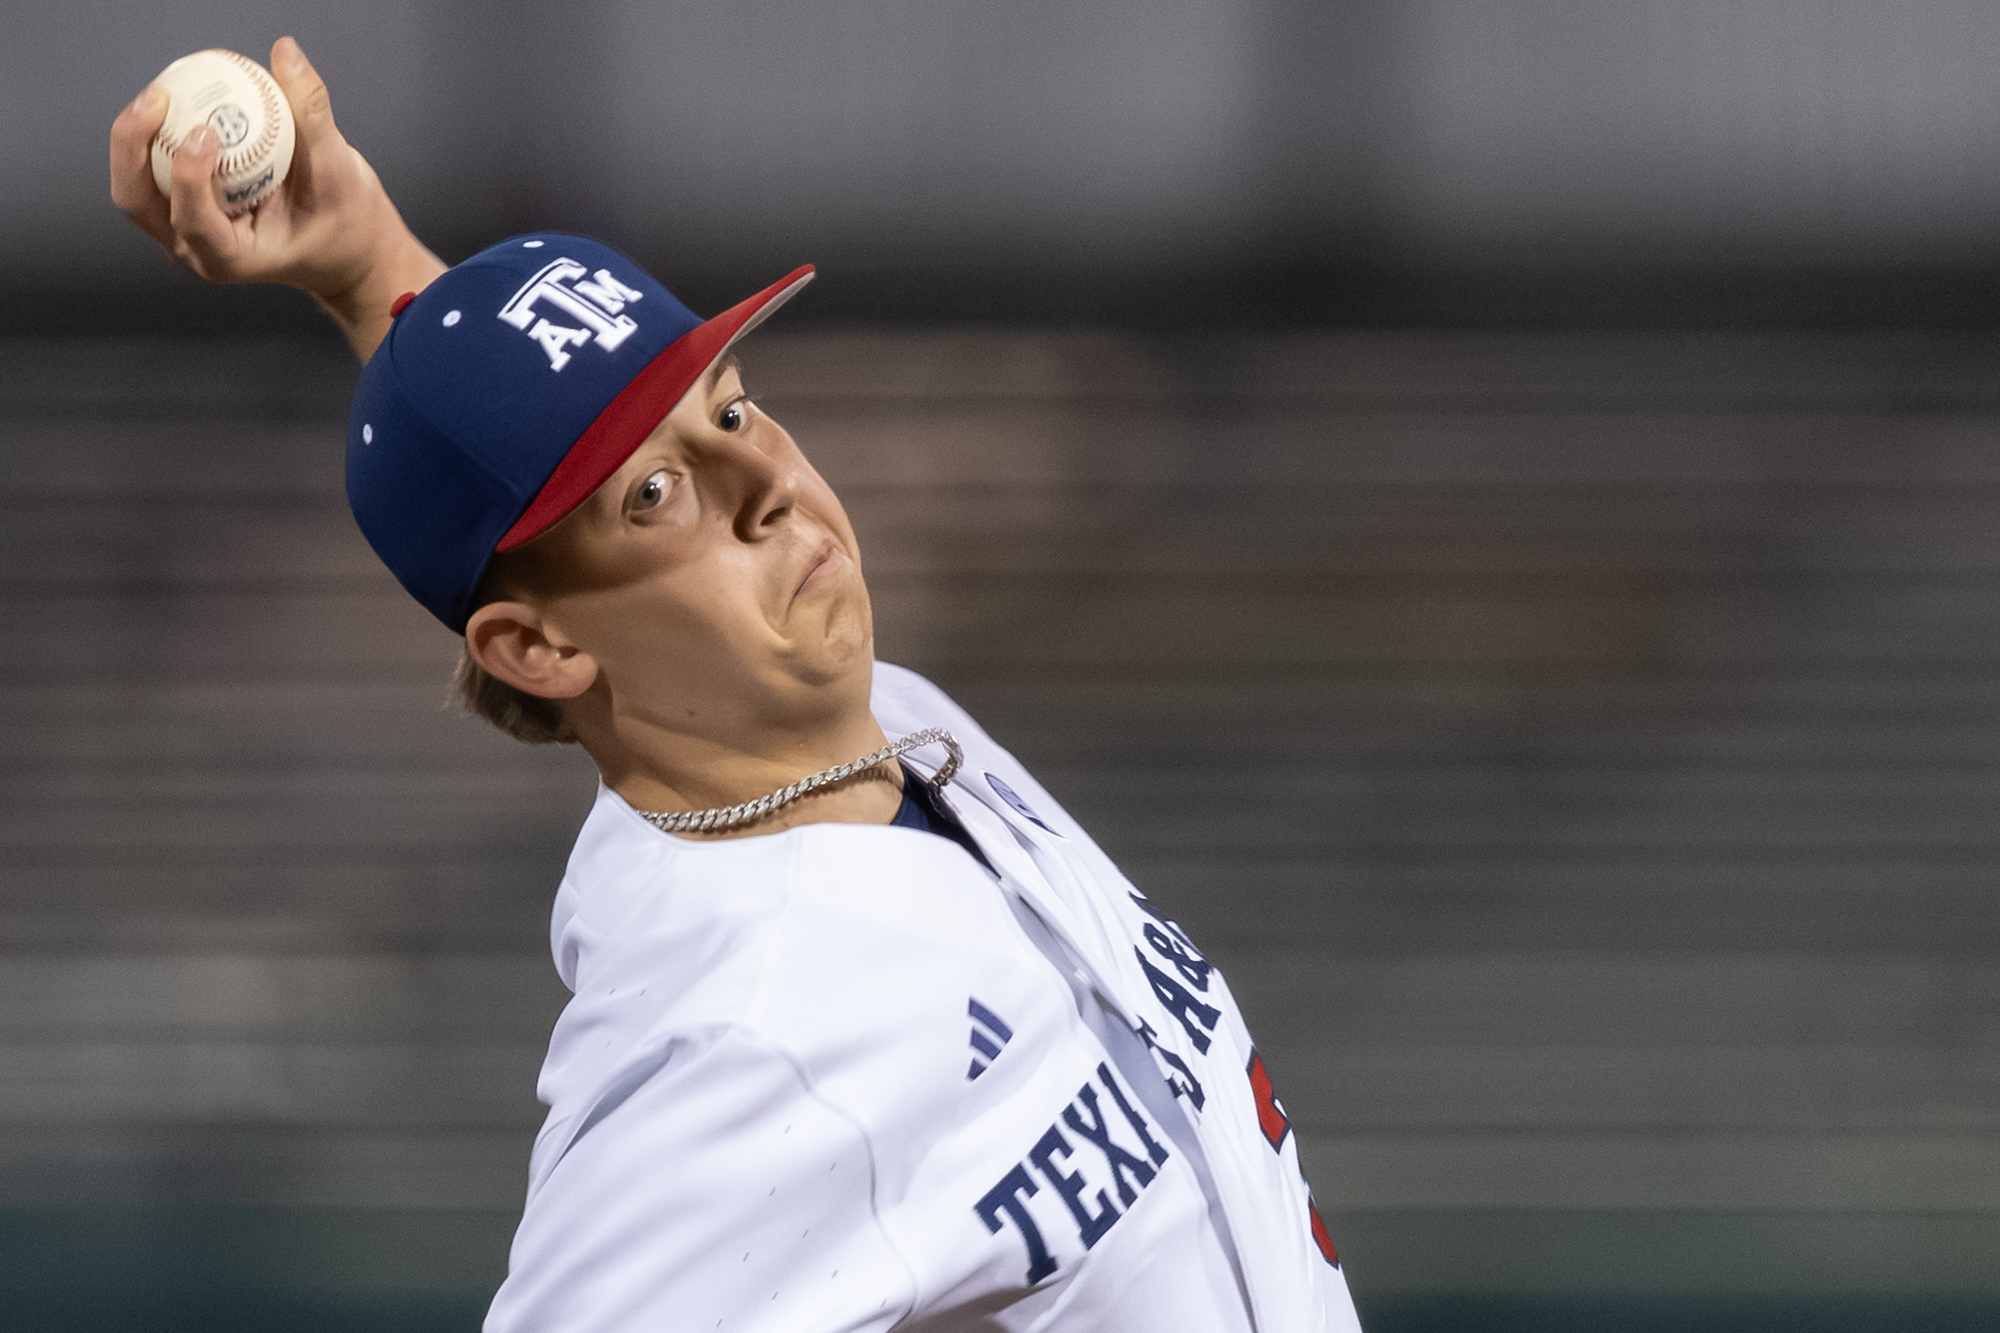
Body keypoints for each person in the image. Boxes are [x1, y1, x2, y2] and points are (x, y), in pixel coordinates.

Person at [110, 38, 1366, 1333]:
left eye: (730, 409)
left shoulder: (884, 715)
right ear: (537, 650)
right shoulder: (744, 1046)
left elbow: (535, 465)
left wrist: (372, 266)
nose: (766, 486)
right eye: (657, 497)